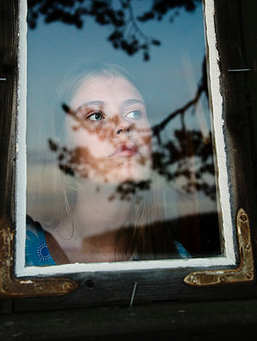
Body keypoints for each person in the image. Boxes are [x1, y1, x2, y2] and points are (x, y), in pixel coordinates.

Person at [26, 62, 189, 266]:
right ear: (63, 148)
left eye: (134, 113)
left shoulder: (178, 261)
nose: (124, 125)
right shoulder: (15, 255)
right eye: (96, 116)